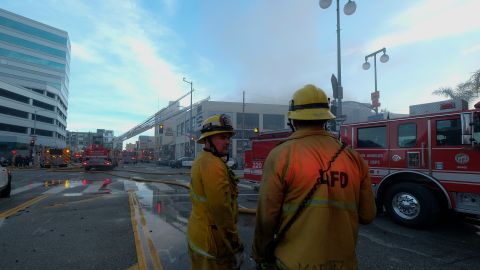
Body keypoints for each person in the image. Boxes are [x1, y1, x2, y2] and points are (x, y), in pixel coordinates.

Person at [252, 84, 376, 270]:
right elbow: (367, 215)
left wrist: (260, 254)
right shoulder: (353, 158)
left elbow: (266, 218)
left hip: (293, 263)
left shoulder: (281, 154)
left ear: (293, 120)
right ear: (326, 118)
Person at [187, 114, 244, 270]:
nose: (227, 142)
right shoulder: (213, 165)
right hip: (212, 244)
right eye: (221, 137)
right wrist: (235, 245)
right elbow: (221, 210)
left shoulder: (203, 159)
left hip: (201, 237)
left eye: (228, 137)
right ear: (208, 139)